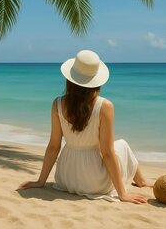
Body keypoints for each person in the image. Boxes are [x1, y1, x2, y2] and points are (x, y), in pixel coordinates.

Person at [19, 50, 152, 204]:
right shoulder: (104, 106)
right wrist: (122, 194)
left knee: (117, 146)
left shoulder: (58, 104)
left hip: (66, 178)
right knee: (122, 145)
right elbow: (107, 153)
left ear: (70, 78)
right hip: (93, 182)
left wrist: (40, 181)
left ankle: (141, 180)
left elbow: (54, 146)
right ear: (96, 81)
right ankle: (141, 181)